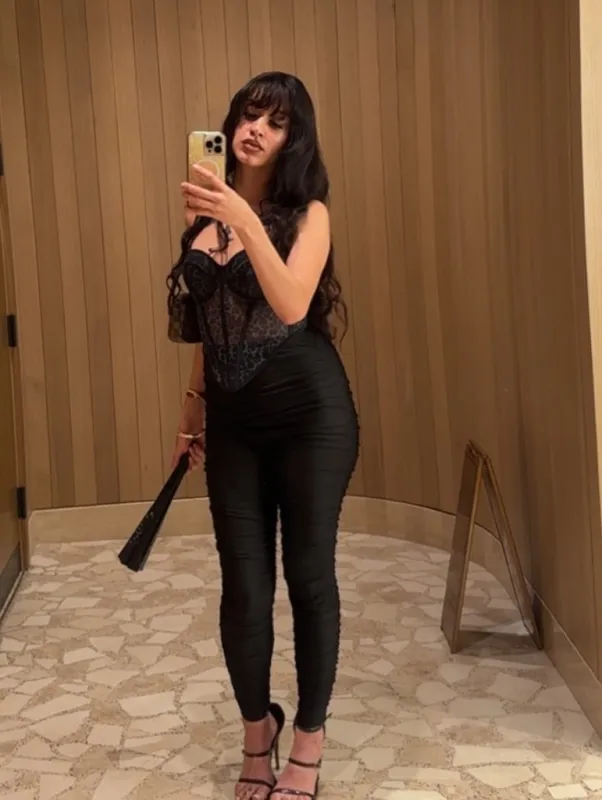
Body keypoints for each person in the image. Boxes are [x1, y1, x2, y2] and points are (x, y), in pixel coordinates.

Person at [167, 71, 359, 800]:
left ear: (292, 140)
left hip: (311, 418)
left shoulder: (309, 215)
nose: (256, 130)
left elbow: (289, 305)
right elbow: (208, 326)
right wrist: (191, 413)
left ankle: (308, 741)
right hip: (234, 425)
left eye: (275, 122)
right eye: (249, 115)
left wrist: (243, 221)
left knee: (308, 576)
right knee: (244, 589)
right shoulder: (202, 218)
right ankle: (259, 731)